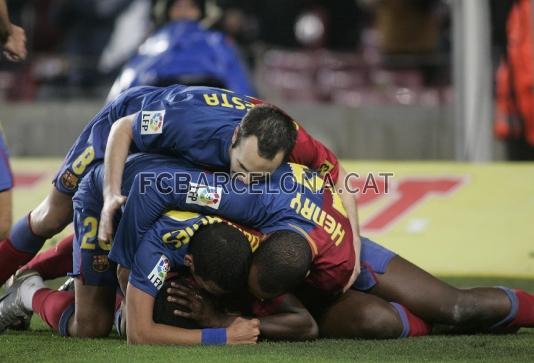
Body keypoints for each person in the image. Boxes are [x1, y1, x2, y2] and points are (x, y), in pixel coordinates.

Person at [0, 85, 362, 292]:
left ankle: (61, 275)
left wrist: (356, 251)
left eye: (258, 175)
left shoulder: (294, 139)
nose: (243, 182)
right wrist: (111, 193)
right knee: (53, 216)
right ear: (236, 138)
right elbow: (124, 129)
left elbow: (341, 177)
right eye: (241, 168)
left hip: (170, 162)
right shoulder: (192, 125)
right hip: (122, 127)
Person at [111, 159, 355, 294]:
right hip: (135, 169)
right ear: (262, 239)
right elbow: (159, 184)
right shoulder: (253, 199)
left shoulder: (337, 269)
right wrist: (125, 264)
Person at [107, 0, 255, 101]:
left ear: (200, 11)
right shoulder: (150, 44)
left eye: (191, 6)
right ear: (168, 10)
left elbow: (239, 85)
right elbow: (126, 88)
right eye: (178, 6)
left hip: (211, 108)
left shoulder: (218, 42)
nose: (184, 11)